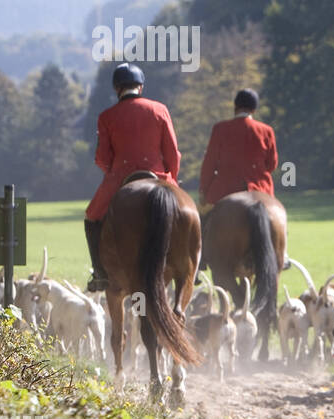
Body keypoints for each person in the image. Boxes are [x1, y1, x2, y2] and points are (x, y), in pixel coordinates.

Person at [83, 63, 181, 291]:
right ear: (141, 87)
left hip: (120, 178)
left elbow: (102, 158)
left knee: (91, 217)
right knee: (189, 212)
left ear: (117, 88)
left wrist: (113, 171)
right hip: (158, 176)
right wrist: (172, 179)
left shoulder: (107, 116)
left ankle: (100, 273)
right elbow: (172, 153)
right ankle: (190, 268)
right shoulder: (160, 109)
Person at [199, 88, 279, 206]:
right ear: (254, 109)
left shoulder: (220, 129)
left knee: (205, 220)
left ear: (235, 106)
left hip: (224, 192)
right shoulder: (266, 131)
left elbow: (209, 164)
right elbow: (271, 165)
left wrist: (203, 191)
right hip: (260, 189)